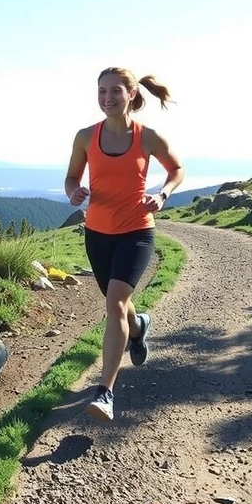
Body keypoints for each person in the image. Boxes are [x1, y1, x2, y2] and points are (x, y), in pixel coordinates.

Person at [64, 67, 185, 421]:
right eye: (101, 91)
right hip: (97, 234)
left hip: (136, 232)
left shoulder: (148, 137)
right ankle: (138, 327)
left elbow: (177, 170)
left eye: (115, 91)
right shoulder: (86, 137)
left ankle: (105, 393)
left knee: (115, 303)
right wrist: (75, 192)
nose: (107, 98)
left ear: (131, 94)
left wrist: (163, 193)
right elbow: (72, 177)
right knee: (119, 304)